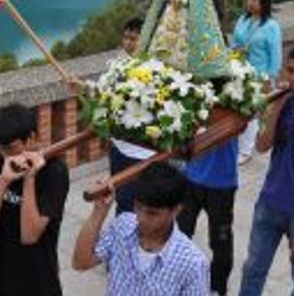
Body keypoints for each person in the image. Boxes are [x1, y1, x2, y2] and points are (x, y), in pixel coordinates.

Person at [238, 44, 294, 296]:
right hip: (269, 204)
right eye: (290, 71)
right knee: (253, 269)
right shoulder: (284, 104)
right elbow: (262, 146)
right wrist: (276, 106)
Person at [72, 162, 210, 296]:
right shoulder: (123, 225)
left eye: (152, 213)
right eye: (138, 207)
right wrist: (99, 211)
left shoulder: (193, 264)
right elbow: (81, 263)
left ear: (176, 210)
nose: (141, 218)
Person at [0, 103, 70, 296]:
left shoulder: (55, 172)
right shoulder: (0, 160)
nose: (6, 155)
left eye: (11, 148)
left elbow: (29, 236)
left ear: (33, 137)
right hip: (0, 272)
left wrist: (29, 178)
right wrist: (3, 180)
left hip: (39, 277)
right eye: (0, 149)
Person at [177, 127, 238, 294]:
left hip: (221, 184)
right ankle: (178, 281)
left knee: (220, 242)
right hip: (190, 177)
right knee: (180, 235)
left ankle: (217, 289)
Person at [232, 0, 283, 164]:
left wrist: (270, 77)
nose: (251, 3)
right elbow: (234, 44)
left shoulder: (271, 26)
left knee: (252, 111)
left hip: (260, 75)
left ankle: (245, 150)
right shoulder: (242, 21)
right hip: (240, 72)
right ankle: (241, 145)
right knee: (240, 109)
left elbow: (275, 54)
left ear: (264, 2)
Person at [109, 17, 155, 214]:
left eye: (133, 38)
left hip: (141, 152)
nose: (127, 43)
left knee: (136, 202)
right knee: (120, 197)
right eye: (125, 37)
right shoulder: (119, 62)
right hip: (118, 145)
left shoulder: (156, 68)